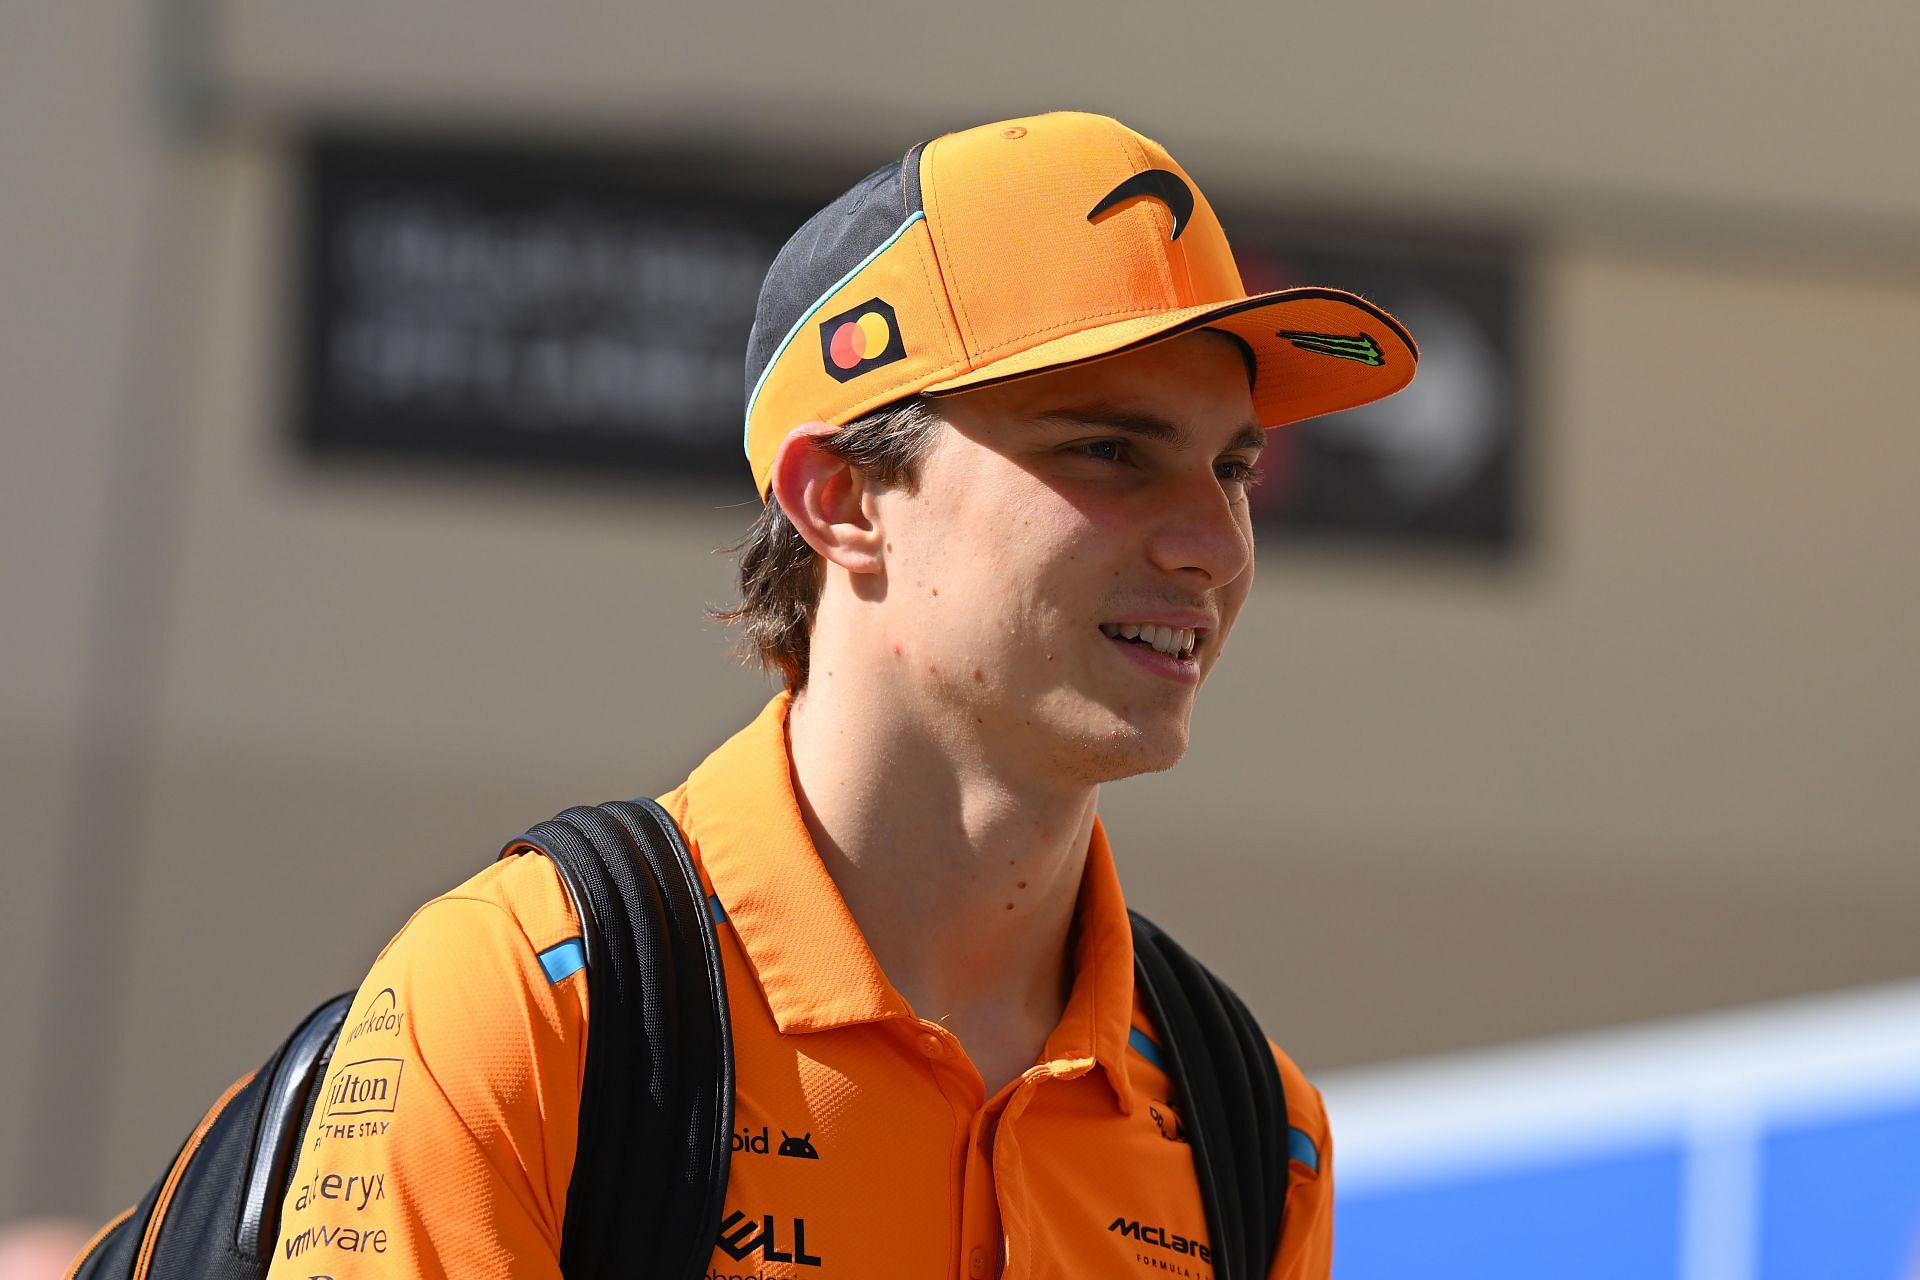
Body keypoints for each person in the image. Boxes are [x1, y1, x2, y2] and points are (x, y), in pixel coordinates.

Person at [263, 110, 1416, 1280]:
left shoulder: (1252, 1127)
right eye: (1109, 450)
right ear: (842, 499)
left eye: (1234, 468)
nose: (1213, 545)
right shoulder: (530, 1000)